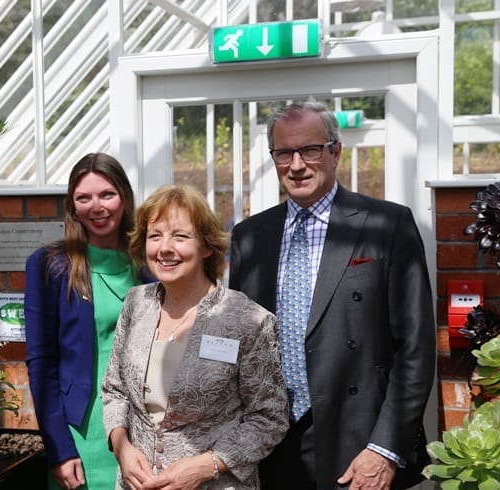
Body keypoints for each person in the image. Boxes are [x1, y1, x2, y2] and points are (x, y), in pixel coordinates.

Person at [228, 101, 436, 490]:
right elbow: (238, 343)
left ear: (335, 151)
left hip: (361, 443)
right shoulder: (251, 236)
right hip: (273, 444)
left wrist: (385, 448)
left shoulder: (387, 225)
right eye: (284, 153)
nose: (297, 165)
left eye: (310, 150)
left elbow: (416, 348)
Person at [102, 184, 289, 490]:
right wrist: (121, 446)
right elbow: (114, 390)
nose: (165, 247)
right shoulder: (136, 303)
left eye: (180, 236)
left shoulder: (248, 320)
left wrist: (207, 465)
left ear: (206, 246)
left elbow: (269, 418)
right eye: (155, 235)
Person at [24, 152, 141, 489]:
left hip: (144, 426)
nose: (97, 206)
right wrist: (60, 448)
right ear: (72, 207)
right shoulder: (51, 266)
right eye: (84, 198)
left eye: (107, 194)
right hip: (84, 430)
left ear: (124, 198)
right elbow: (41, 362)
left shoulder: (148, 263)